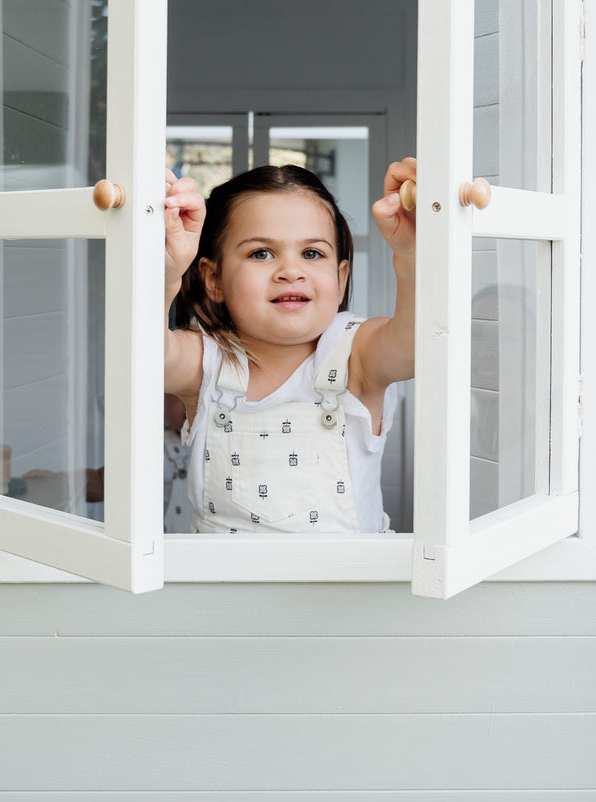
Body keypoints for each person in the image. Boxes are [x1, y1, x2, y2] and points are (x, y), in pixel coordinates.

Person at [163, 158, 417, 534]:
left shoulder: (354, 354)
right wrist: (166, 271)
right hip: (223, 591)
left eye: (312, 253)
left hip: (344, 591)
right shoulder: (207, 361)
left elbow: (417, 345)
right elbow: (140, 357)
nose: (290, 271)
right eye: (261, 253)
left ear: (340, 277)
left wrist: (412, 255)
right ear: (213, 278)